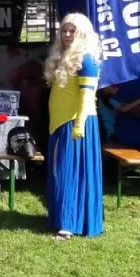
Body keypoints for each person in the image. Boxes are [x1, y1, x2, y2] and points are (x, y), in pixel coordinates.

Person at [44, 13, 103, 240]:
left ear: (83, 33)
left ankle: (68, 224)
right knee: (59, 170)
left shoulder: (86, 59)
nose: (67, 35)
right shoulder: (62, 56)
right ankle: (61, 218)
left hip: (77, 123)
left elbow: (87, 95)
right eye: (64, 31)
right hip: (59, 123)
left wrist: (79, 124)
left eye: (72, 31)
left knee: (70, 172)